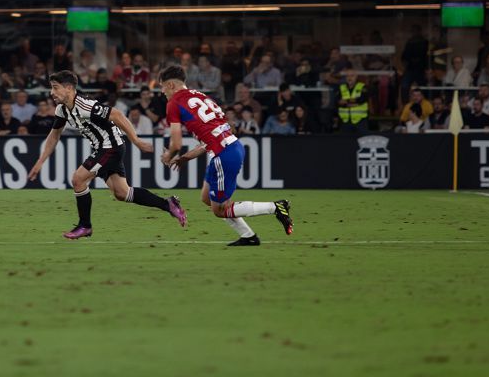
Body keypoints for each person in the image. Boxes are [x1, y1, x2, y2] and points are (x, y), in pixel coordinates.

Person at [28, 71, 184, 239]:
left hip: (111, 147)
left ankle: (85, 226)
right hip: (102, 148)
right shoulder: (62, 110)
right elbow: (54, 135)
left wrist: (136, 140)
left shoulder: (84, 105)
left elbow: (116, 114)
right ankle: (168, 204)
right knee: (122, 193)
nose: (52, 92)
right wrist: (40, 162)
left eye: (55, 88)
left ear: (69, 88)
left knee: (78, 179)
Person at [159, 65, 292, 246]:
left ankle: (276, 207)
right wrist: (184, 158)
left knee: (220, 209)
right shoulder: (200, 96)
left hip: (224, 155)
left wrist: (169, 155)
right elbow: (212, 136)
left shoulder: (173, 103)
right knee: (207, 198)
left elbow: (176, 143)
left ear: (172, 85)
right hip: (229, 148)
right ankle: (248, 236)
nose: (162, 91)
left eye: (163, 86)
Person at [337, 69, 369, 133]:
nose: (349, 78)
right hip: (345, 121)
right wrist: (354, 102)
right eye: (348, 76)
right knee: (344, 141)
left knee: (362, 141)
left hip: (360, 121)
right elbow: (338, 102)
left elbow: (361, 100)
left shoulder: (362, 87)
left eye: (352, 76)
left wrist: (346, 102)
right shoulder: (341, 87)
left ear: (356, 76)